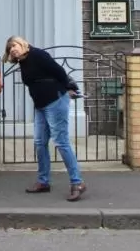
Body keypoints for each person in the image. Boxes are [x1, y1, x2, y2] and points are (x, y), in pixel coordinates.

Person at [5, 36, 85, 202]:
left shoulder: (38, 55)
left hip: (55, 101)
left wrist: (68, 88)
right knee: (40, 142)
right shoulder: (23, 62)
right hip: (40, 105)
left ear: (23, 44)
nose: (13, 49)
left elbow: (59, 72)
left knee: (61, 141)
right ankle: (43, 182)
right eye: (10, 48)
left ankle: (77, 182)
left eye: (15, 45)